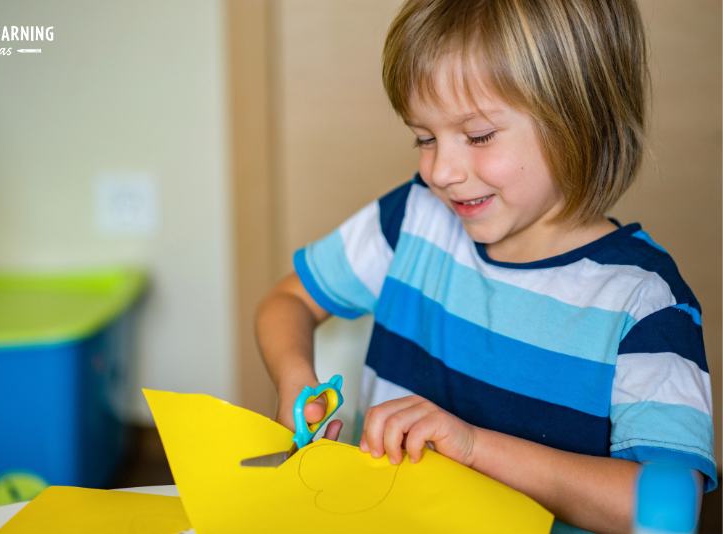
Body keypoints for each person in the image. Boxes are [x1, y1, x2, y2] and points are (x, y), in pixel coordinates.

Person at [255, 0, 717, 532]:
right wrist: (294, 377)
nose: (441, 172)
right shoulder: (413, 219)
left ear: (579, 119)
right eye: (424, 138)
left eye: (477, 136)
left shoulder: (643, 300)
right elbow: (287, 300)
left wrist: (473, 446)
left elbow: (663, 506)